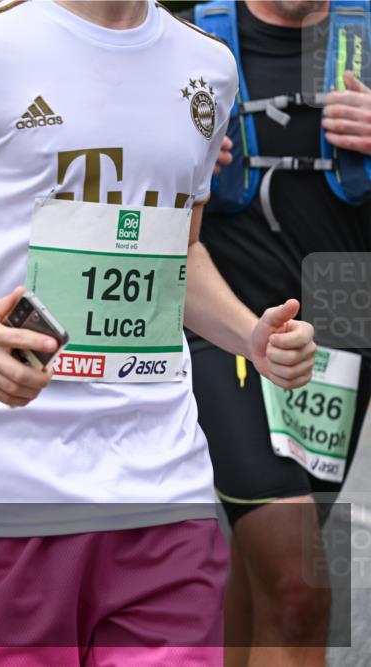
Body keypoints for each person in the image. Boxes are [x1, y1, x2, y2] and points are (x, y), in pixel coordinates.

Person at [0, 0, 318, 663]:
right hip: (8, 491)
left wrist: (248, 332)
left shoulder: (208, 66)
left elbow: (175, 253)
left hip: (163, 488)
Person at [185, 1, 371, 664]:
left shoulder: (365, 35)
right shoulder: (187, 43)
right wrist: (171, 160)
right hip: (226, 326)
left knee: (266, 564)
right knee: (298, 588)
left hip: (345, 335)